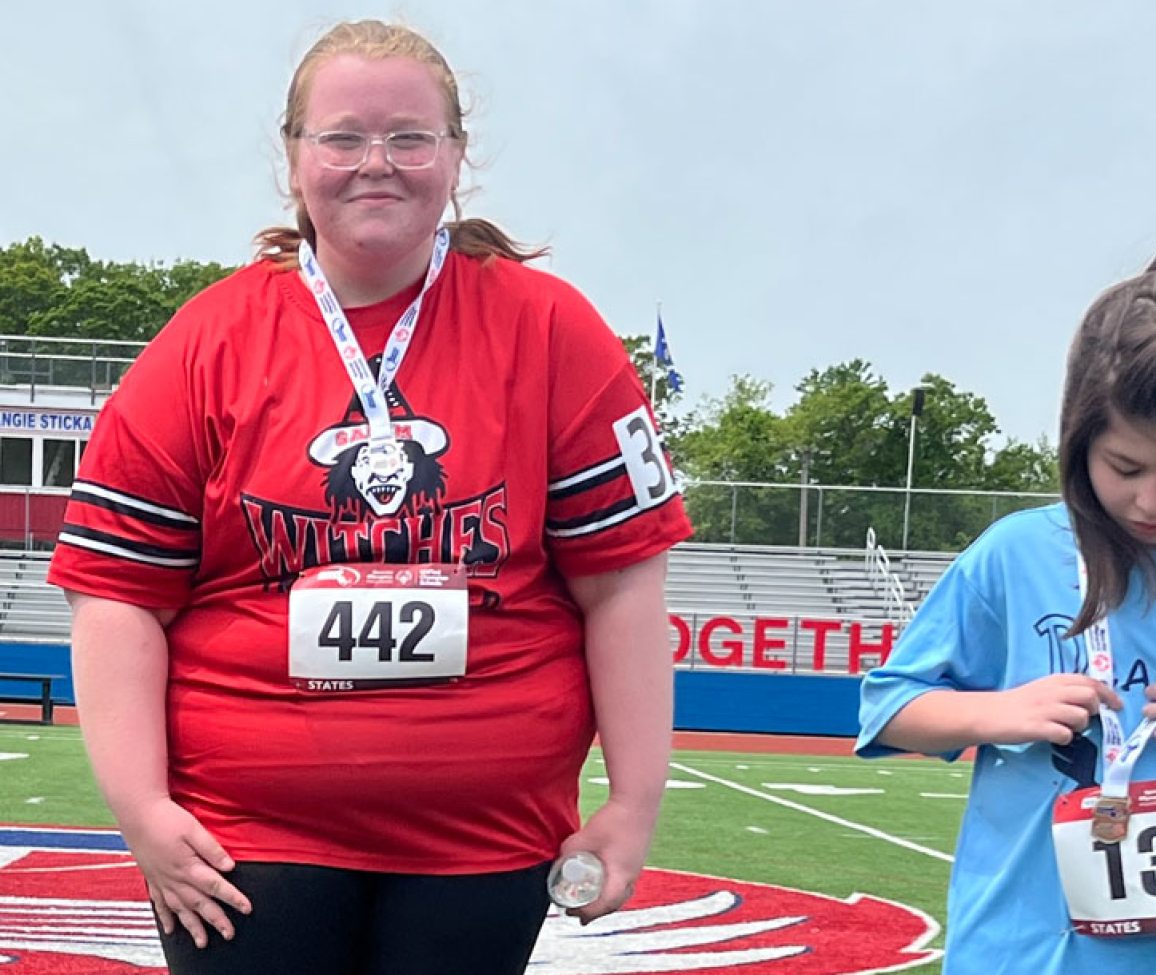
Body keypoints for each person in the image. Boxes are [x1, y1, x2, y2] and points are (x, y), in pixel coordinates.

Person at [48, 18, 691, 975]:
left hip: (486, 839)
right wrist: (142, 809)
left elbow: (625, 584)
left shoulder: (552, 331)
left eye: (410, 138)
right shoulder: (205, 342)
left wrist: (634, 800)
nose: (375, 164)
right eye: (343, 137)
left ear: (457, 157)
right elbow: (115, 592)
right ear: (294, 157)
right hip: (241, 839)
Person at [857, 218, 1156, 974]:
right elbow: (887, 709)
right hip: (1014, 954)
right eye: (1124, 466)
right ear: (1077, 438)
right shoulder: (1016, 554)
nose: (1154, 499)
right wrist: (994, 712)